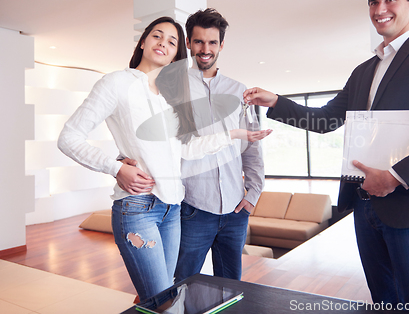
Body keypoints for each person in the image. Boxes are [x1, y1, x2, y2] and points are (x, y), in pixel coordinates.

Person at [243, 0, 409, 313]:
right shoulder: (363, 71)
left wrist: (396, 177)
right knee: (386, 304)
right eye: (373, 1)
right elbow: (325, 120)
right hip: (367, 210)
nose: (379, 9)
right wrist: (276, 101)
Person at [57, 16, 270, 305]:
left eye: (171, 42)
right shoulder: (116, 82)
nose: (163, 44)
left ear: (176, 55)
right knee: (163, 301)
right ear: (143, 41)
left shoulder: (169, 97)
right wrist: (116, 167)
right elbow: (69, 137)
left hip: (172, 209)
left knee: (167, 299)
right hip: (141, 206)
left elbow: (186, 149)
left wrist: (233, 133)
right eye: (157, 36)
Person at [173, 8, 266, 283]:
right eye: (199, 41)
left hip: (236, 210)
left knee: (230, 288)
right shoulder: (174, 89)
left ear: (221, 45)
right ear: (189, 43)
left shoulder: (240, 91)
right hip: (192, 209)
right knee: (182, 285)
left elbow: (253, 146)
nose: (205, 49)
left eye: (212, 42)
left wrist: (253, 194)